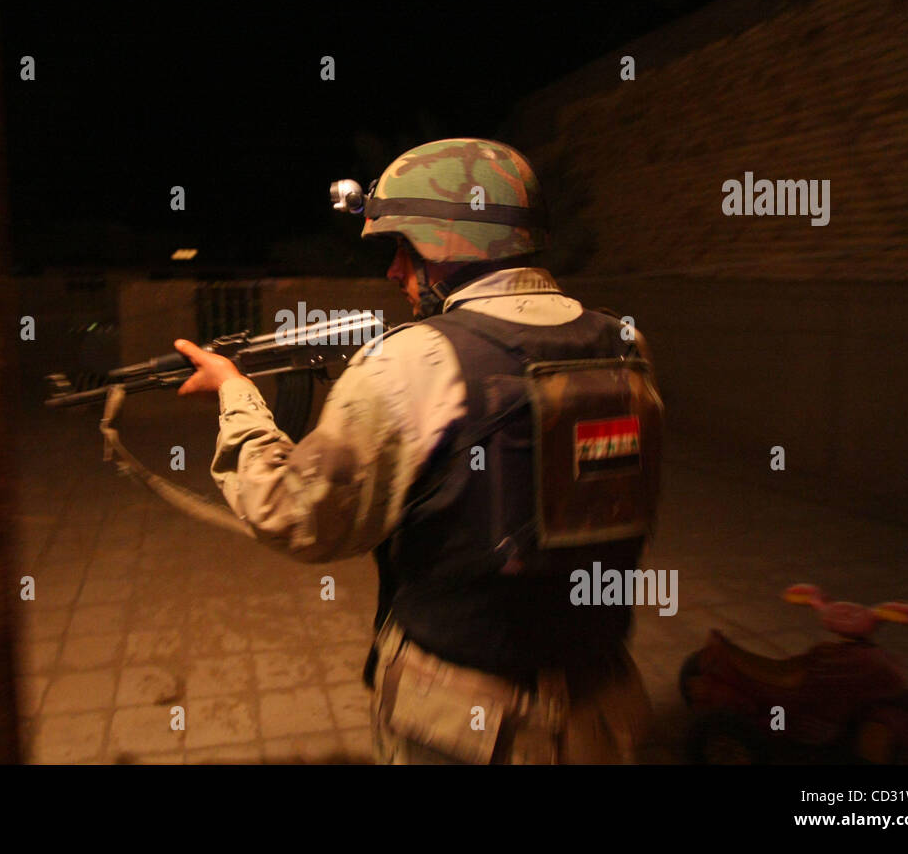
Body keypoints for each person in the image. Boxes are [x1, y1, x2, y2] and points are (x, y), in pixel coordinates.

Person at [174, 137, 661, 763]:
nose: (394, 271)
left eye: (403, 249)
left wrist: (236, 393)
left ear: (447, 245)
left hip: (465, 730)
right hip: (607, 712)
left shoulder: (414, 358)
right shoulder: (626, 342)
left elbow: (293, 514)